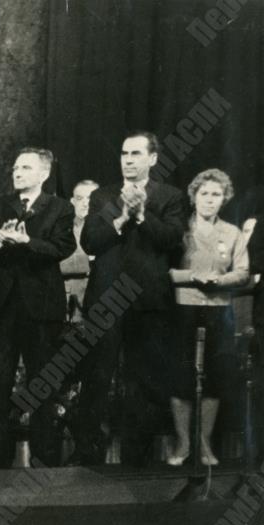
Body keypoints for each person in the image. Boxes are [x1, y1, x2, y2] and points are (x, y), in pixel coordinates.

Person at [74, 131, 185, 467]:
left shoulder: (170, 196)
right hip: (106, 299)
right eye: (124, 153)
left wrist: (141, 216)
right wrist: (122, 217)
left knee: (144, 380)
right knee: (97, 377)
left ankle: (137, 458)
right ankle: (88, 453)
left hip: (148, 302)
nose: (128, 160)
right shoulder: (103, 196)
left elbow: (171, 239)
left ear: (153, 158)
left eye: (136, 153)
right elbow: (90, 241)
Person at [0, 148, 75, 469]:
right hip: (3, 307)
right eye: (16, 168)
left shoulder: (59, 208)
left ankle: (44, 455)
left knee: (43, 380)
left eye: (26, 168)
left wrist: (25, 241)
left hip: (42, 309)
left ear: (44, 174)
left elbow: (62, 247)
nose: (17, 172)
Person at [166, 169, 248, 466]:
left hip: (219, 310)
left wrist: (219, 280)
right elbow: (163, 270)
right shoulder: (179, 230)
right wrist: (191, 277)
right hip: (183, 308)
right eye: (204, 194)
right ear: (194, 196)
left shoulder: (233, 233)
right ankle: (183, 445)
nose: (210, 199)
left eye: (216, 194)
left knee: (215, 378)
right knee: (180, 376)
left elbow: (243, 272)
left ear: (224, 199)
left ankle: (204, 445)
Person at [61, 180, 99, 323]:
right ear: (72, 202)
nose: (85, 203)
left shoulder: (114, 227)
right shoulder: (63, 228)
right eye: (79, 198)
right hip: (71, 300)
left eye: (91, 198)